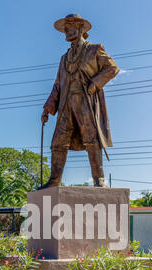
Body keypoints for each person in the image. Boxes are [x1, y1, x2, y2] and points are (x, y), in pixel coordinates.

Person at [40, 14, 119, 189]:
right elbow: (57, 85)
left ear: (81, 28)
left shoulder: (94, 49)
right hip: (66, 102)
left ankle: (99, 180)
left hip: (85, 100)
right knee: (58, 142)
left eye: (70, 26)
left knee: (92, 139)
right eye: (65, 28)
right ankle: (54, 181)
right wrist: (48, 107)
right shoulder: (64, 58)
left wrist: (95, 83)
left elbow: (112, 68)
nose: (66, 31)